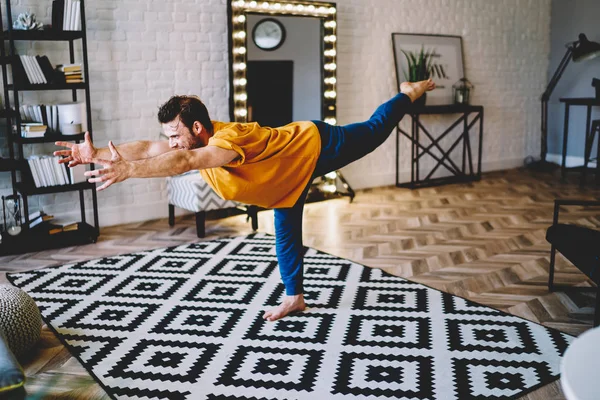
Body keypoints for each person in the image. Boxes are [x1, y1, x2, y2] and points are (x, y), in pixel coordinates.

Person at [54, 79, 435, 321]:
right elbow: (150, 147)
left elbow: (184, 159)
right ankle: (295, 297)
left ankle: (406, 92)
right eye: (167, 135)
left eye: (175, 134)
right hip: (284, 183)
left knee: (373, 131)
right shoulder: (190, 138)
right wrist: (102, 155)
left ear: (198, 128)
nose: (169, 143)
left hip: (313, 147)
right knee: (285, 237)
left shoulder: (224, 142)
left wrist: (127, 171)